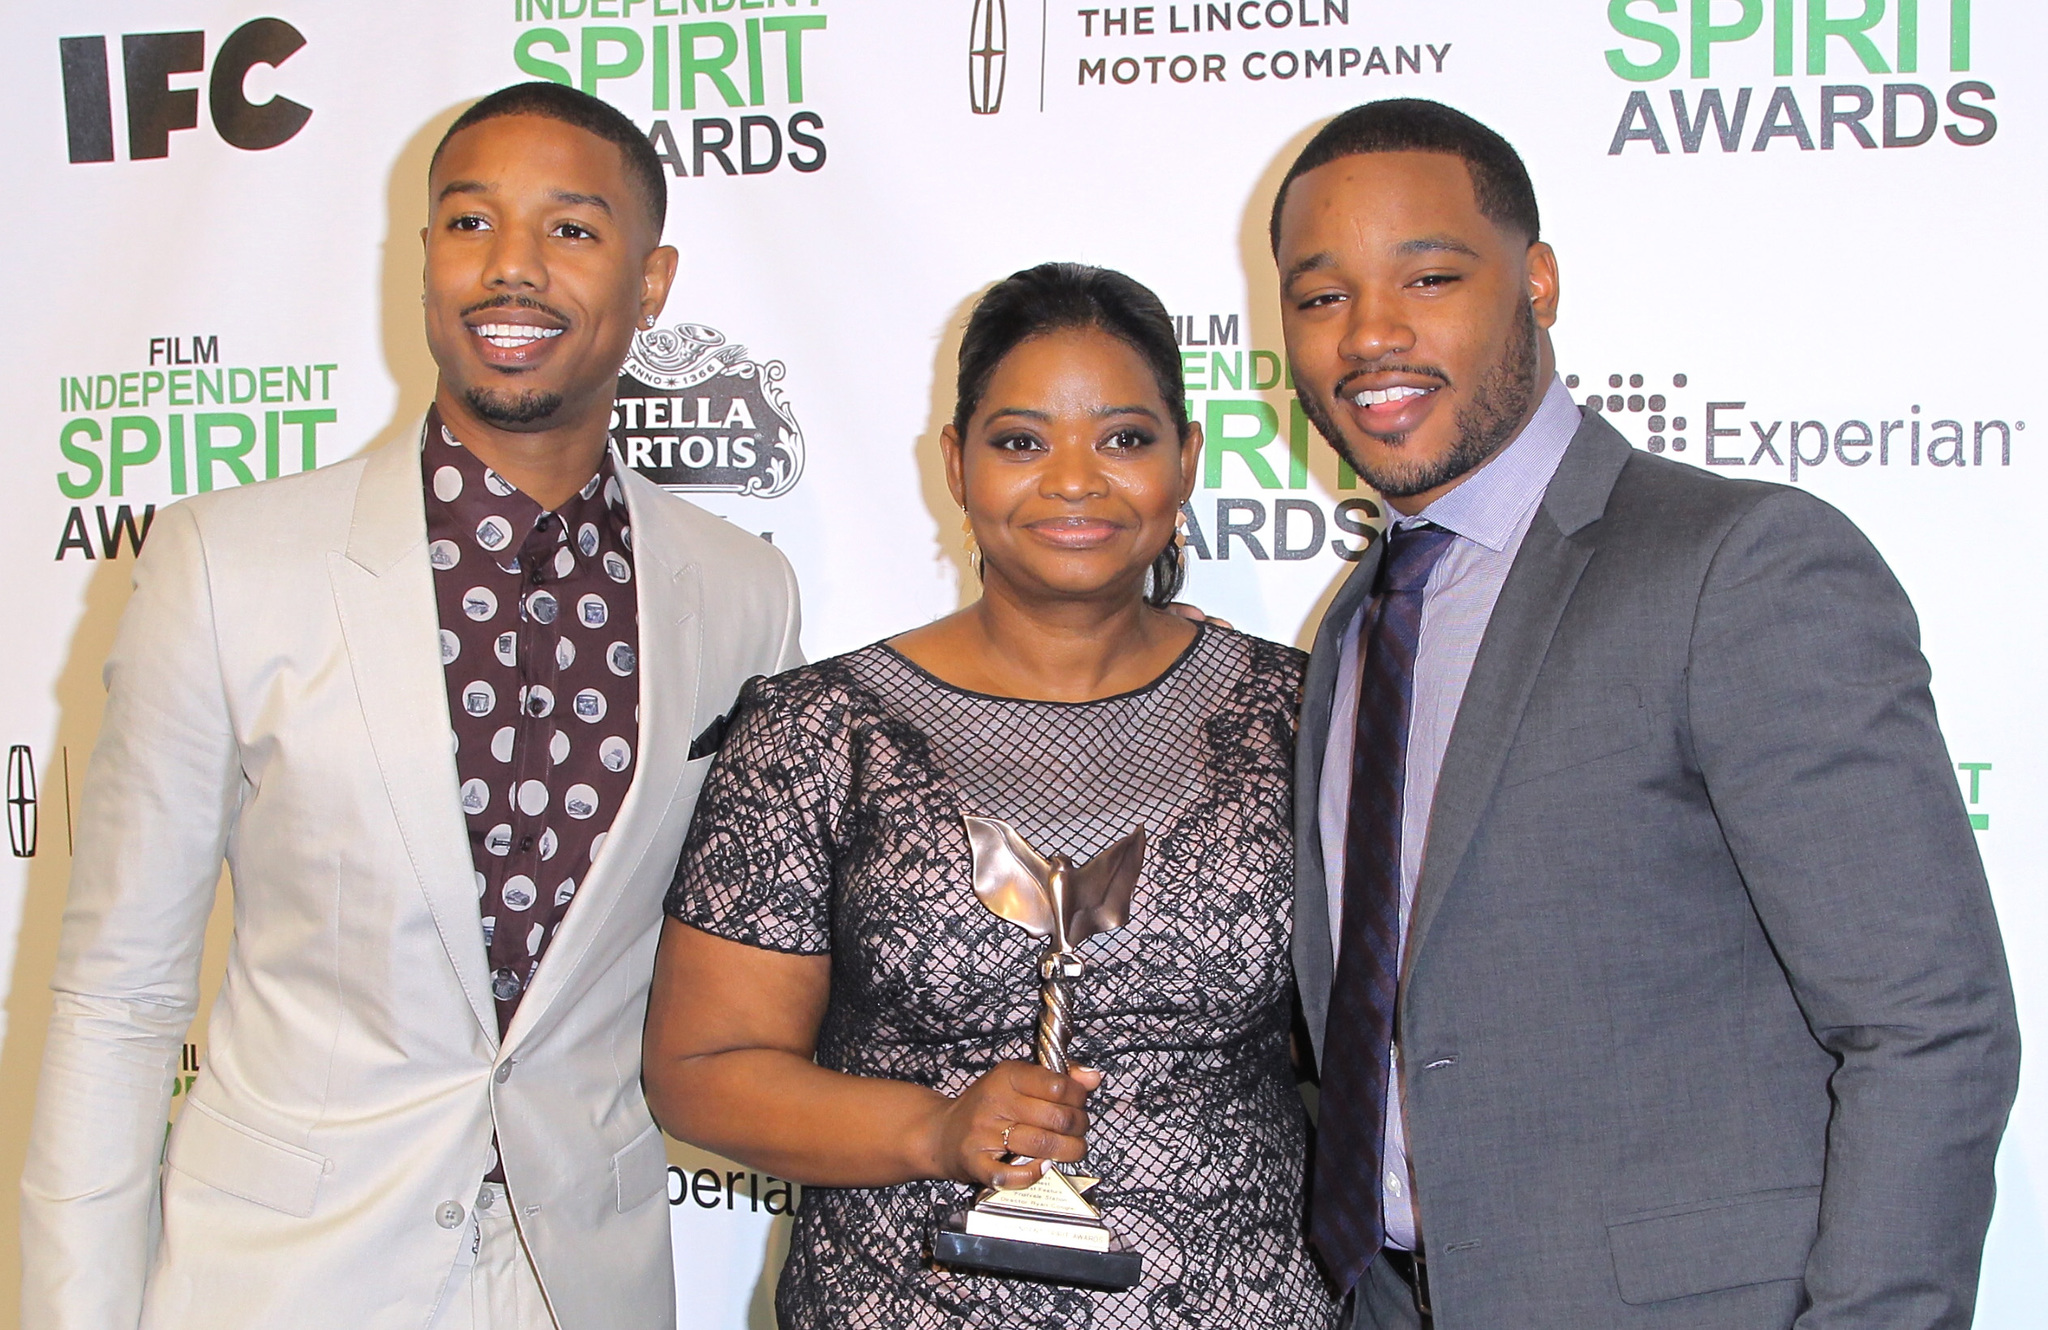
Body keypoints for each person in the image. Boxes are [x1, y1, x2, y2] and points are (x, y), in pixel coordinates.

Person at [20, 82, 800, 1330]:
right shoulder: (227, 561)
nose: (510, 270)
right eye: (468, 223)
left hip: (582, 1280)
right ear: (423, 256)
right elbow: (118, 997)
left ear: (651, 285)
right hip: (281, 1279)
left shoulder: (742, 594)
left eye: (570, 231)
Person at [1272, 98, 2019, 1329]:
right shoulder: (1353, 625)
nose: (1371, 336)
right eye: (1319, 297)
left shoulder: (1737, 565)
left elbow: (1927, 1029)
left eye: (1429, 275)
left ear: (1538, 281)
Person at [644, 262, 1338, 1328]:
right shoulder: (817, 729)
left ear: (1187, 459)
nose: (1073, 480)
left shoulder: (1304, 716)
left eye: (1123, 438)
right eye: (1020, 440)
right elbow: (701, 1068)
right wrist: (930, 1129)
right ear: (955, 465)